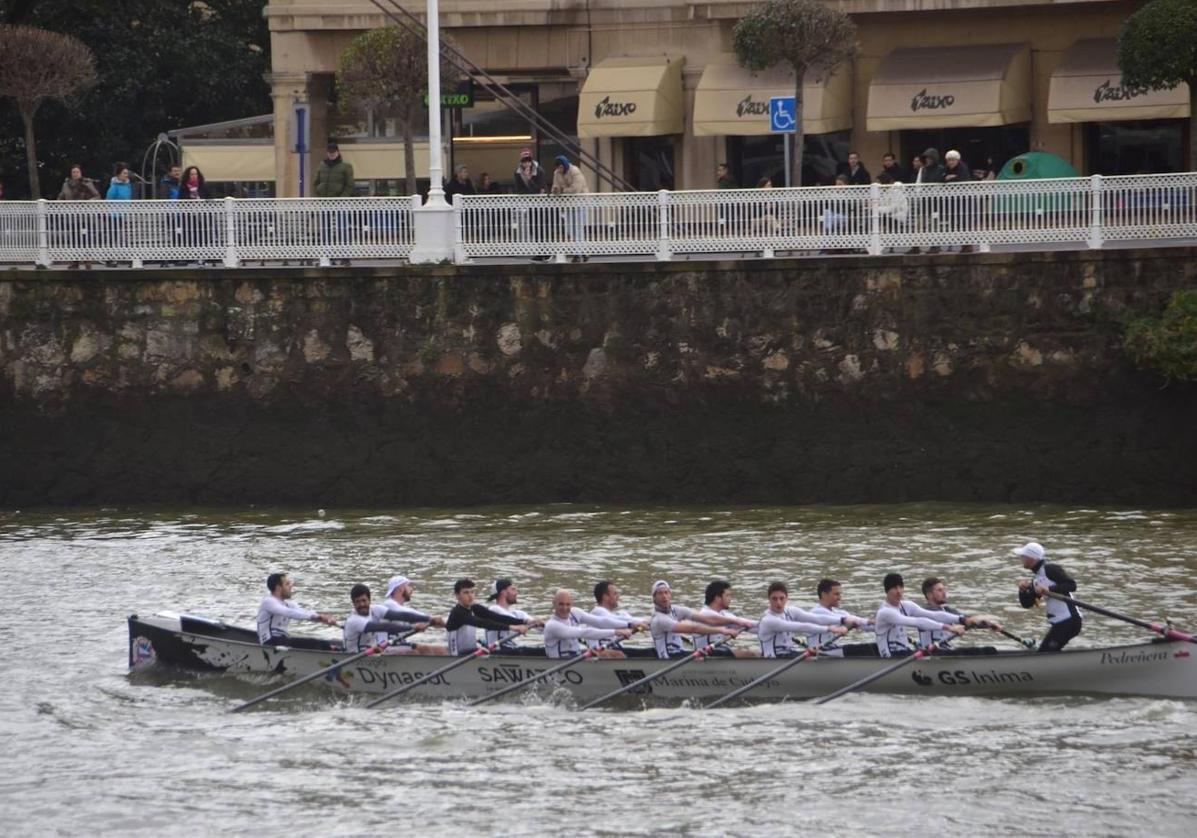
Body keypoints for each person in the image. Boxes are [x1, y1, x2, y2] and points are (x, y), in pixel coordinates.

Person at [874, 572, 990, 658]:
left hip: (905, 652)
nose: (899, 591)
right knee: (953, 654)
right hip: (891, 657)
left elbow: (934, 615)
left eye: (901, 587)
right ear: (887, 591)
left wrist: (963, 620)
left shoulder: (907, 605)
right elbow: (918, 622)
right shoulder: (885, 612)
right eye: (894, 588)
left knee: (987, 650)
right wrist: (949, 627)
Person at [648, 579, 751, 659]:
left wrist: (736, 621)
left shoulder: (676, 610)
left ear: (670, 595)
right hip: (668, 658)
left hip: (679, 653)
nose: (664, 596)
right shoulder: (659, 619)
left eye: (666, 592)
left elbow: (707, 619)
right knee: (709, 656)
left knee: (707, 655)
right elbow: (693, 629)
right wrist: (722, 630)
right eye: (660, 593)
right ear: (654, 598)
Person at [1016, 542, 1082, 651]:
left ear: (1032, 558)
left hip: (1069, 621)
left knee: (1044, 654)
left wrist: (1049, 589)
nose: (1020, 558)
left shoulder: (1050, 569)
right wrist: (1022, 591)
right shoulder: (1037, 580)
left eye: (1023, 556)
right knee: (1045, 652)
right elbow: (1027, 604)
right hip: (1059, 624)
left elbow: (1071, 585)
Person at [758, 581, 847, 658]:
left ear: (787, 598)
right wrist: (830, 628)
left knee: (818, 655)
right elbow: (801, 627)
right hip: (775, 658)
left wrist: (842, 620)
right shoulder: (768, 620)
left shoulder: (791, 611)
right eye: (774, 599)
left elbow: (815, 618)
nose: (778, 602)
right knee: (816, 657)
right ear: (769, 600)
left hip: (789, 654)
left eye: (781, 598)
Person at [444, 578, 531, 656]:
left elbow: (496, 617)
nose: (470, 596)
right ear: (457, 595)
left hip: (470, 653)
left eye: (472, 592)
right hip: (458, 655)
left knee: (516, 651)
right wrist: (512, 627)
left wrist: (525, 621)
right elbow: (483, 623)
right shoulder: (457, 612)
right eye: (466, 593)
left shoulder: (474, 608)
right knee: (518, 652)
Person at [255, 572, 338, 649]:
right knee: (318, 644)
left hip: (282, 640)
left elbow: (304, 612)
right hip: (269, 643)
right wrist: (317, 617)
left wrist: (325, 619)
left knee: (322, 644)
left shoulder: (288, 604)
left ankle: (334, 650)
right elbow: (289, 613)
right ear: (278, 587)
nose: (291, 586)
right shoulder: (268, 602)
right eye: (287, 584)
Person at [920, 577, 1001, 654]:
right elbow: (966, 619)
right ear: (929, 595)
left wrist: (987, 625)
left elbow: (967, 620)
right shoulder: (925, 611)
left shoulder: (947, 610)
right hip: (931, 653)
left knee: (989, 650)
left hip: (945, 650)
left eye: (944, 589)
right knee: (984, 652)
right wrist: (979, 619)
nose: (944, 593)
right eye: (940, 590)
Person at [544, 589, 633, 658]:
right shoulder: (552, 626)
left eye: (568, 604)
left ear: (572, 604)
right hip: (560, 662)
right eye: (561, 604)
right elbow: (583, 632)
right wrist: (616, 632)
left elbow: (600, 621)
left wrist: (630, 625)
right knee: (606, 656)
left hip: (575, 657)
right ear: (554, 604)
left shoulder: (575, 613)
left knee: (617, 654)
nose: (564, 608)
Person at [343, 583, 425, 652]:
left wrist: (428, 619)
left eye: (364, 600)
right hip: (356, 656)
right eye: (357, 602)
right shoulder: (353, 620)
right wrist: (411, 627)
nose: (361, 604)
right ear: (353, 603)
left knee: (418, 649)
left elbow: (399, 615)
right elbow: (385, 627)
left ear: (369, 600)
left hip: (371, 653)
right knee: (415, 651)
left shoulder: (376, 609)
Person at [807, 578, 877, 657]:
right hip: (819, 652)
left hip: (833, 649)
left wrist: (881, 626)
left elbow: (861, 624)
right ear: (824, 595)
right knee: (865, 649)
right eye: (836, 594)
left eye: (840, 594)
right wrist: (871, 621)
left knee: (874, 647)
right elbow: (850, 619)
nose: (840, 598)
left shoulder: (839, 612)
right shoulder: (816, 612)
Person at [379, 574, 448, 655]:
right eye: (408, 586)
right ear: (400, 588)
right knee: (415, 652)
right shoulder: (389, 604)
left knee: (439, 650)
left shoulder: (399, 608)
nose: (411, 589)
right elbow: (408, 614)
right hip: (384, 646)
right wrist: (430, 618)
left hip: (398, 643)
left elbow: (413, 619)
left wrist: (442, 624)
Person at [695, 580, 760, 657]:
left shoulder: (723, 613)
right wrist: (738, 622)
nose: (730, 599)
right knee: (752, 654)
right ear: (717, 598)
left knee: (758, 652)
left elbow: (750, 625)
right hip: (706, 654)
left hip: (720, 649)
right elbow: (733, 621)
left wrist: (769, 627)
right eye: (727, 595)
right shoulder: (705, 614)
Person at [314, 141, 355, 263]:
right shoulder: (322, 166)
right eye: (330, 152)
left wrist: (342, 197)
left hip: (340, 202)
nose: (331, 154)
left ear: (338, 152)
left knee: (342, 228)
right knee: (325, 229)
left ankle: (345, 256)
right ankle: (327, 255)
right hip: (325, 202)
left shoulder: (345, 166)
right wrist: (319, 192)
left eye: (333, 152)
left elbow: (350, 185)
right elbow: (316, 182)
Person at [483, 578, 546, 655]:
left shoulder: (517, 613)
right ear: (504, 592)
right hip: (497, 651)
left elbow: (537, 625)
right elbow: (511, 619)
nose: (516, 592)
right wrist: (530, 622)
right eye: (513, 589)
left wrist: (545, 625)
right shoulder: (494, 609)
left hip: (510, 649)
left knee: (547, 649)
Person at [589, 580, 653, 656]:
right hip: (598, 652)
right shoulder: (597, 612)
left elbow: (632, 620)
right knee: (621, 654)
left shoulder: (619, 614)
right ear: (605, 597)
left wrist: (651, 623)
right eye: (615, 594)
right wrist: (635, 624)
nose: (618, 596)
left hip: (613, 648)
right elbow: (613, 620)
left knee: (651, 652)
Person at [57, 164, 100, 269]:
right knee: (73, 239)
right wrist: (57, 204)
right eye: (73, 172)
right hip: (72, 216)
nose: (75, 174)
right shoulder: (66, 185)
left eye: (77, 172)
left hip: (85, 216)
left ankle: (87, 261)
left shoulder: (87, 183)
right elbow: (61, 196)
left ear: (80, 173)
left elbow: (97, 196)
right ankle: (74, 262)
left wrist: (87, 203)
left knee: (86, 239)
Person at [551, 154, 590, 262]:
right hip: (567, 205)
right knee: (569, 229)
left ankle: (578, 254)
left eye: (561, 167)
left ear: (565, 165)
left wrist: (563, 190)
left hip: (579, 203)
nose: (559, 169)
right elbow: (555, 186)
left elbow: (576, 189)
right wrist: (555, 190)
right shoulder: (557, 173)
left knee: (578, 229)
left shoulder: (575, 171)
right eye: (558, 167)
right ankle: (584, 252)